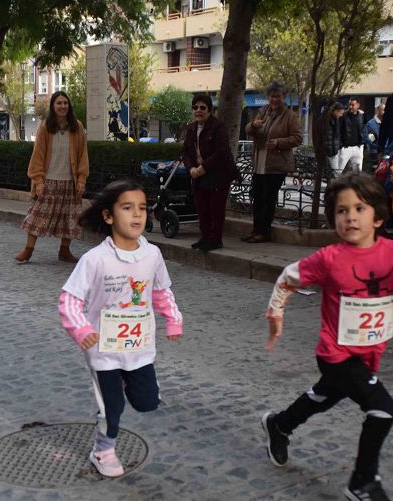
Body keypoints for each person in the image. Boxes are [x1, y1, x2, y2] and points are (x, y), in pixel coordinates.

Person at [260, 173, 393, 501]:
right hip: (335, 354)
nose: (350, 216)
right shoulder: (329, 258)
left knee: (324, 397)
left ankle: (280, 424)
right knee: (383, 409)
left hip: (368, 356)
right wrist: (276, 314)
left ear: (377, 216)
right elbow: (288, 277)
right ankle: (363, 481)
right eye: (342, 211)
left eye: (359, 208)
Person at [58, 180, 183, 477]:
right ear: (109, 216)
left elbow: (161, 291)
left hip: (139, 348)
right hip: (103, 351)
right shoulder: (94, 260)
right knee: (111, 408)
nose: (137, 215)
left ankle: (135, 385)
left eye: (142, 208)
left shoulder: (152, 254)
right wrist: (81, 329)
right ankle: (103, 450)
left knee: (147, 402)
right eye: (127, 208)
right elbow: (68, 300)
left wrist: (173, 319)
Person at [15, 91, 89, 264]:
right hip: (49, 181)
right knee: (37, 216)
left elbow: (83, 156)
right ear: (53, 106)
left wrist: (81, 179)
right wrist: (38, 181)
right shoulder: (45, 127)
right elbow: (38, 155)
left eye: (65, 103)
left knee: (70, 218)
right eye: (59, 103)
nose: (63, 106)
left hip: (69, 182)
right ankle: (28, 250)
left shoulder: (77, 127)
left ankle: (64, 251)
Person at [243, 83, 302, 243]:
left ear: (283, 98)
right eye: (272, 96)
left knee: (268, 199)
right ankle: (256, 230)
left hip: (276, 164)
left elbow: (297, 138)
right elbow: (248, 129)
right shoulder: (262, 111)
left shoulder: (290, 116)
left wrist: (278, 143)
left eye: (278, 96)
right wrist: (253, 125)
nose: (274, 99)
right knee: (257, 197)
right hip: (259, 161)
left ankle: (264, 233)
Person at [181, 93, 240, 252]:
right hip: (199, 174)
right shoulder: (191, 128)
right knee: (202, 208)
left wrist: (203, 167)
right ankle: (205, 237)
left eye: (202, 107)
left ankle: (215, 240)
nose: (198, 110)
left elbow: (222, 152)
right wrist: (191, 168)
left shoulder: (217, 126)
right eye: (195, 107)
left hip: (218, 174)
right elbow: (186, 152)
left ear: (209, 110)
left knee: (216, 208)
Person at [338, 98, 365, 173]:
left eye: (352, 105)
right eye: (349, 104)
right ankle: (334, 184)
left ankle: (355, 185)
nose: (350, 107)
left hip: (358, 148)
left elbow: (362, 130)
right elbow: (338, 131)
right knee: (338, 171)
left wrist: (362, 144)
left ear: (358, 105)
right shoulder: (343, 116)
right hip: (346, 147)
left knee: (357, 173)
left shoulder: (361, 116)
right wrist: (341, 146)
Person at [325, 102, 346, 176]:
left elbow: (337, 135)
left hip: (335, 150)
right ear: (335, 111)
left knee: (335, 172)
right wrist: (332, 150)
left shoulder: (336, 120)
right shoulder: (327, 120)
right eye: (340, 113)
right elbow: (329, 137)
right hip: (331, 151)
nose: (341, 115)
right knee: (336, 173)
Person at [364, 103, 385, 169]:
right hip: (374, 152)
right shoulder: (371, 124)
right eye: (383, 110)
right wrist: (378, 148)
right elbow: (371, 139)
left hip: (386, 151)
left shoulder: (387, 122)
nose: (385, 112)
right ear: (378, 111)